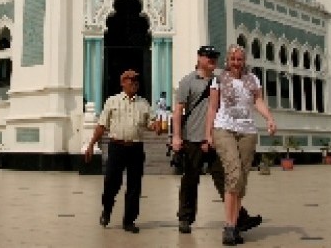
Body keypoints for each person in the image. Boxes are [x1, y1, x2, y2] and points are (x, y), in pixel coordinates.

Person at [173, 45, 263, 235]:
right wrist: (177, 136)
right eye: (207, 56)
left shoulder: (222, 79)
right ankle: (185, 218)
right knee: (190, 179)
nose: (211, 59)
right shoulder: (188, 81)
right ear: (199, 58)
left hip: (220, 136)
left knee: (228, 178)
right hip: (194, 138)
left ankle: (238, 218)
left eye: (214, 56)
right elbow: (178, 110)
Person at [206, 44, 276, 246]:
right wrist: (207, 134)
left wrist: (269, 119)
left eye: (240, 59)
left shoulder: (252, 79)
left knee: (241, 181)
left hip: (247, 131)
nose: (236, 63)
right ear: (228, 60)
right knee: (234, 174)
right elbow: (212, 108)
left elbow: (258, 101)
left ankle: (235, 225)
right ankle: (228, 226)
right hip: (224, 129)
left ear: (244, 61)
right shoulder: (218, 79)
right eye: (233, 59)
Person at [84, 69, 161, 233]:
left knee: (134, 186)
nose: (134, 83)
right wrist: (91, 144)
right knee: (112, 182)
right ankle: (107, 210)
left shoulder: (144, 103)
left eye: (136, 80)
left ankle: (129, 220)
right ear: (122, 83)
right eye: (130, 80)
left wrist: (156, 127)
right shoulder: (112, 101)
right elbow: (101, 125)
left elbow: (151, 122)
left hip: (136, 148)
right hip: (117, 147)